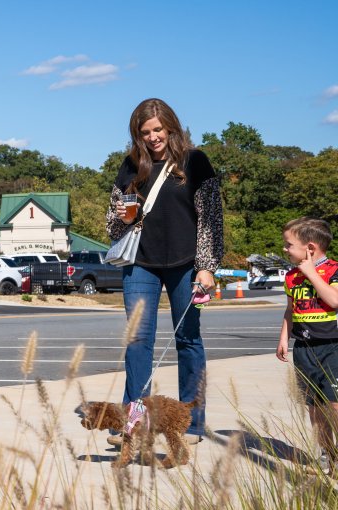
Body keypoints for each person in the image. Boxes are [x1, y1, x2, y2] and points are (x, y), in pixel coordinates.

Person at [105, 98, 224, 445]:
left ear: (170, 126)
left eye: (158, 129)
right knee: (138, 343)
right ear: (137, 135)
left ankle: (191, 425)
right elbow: (112, 226)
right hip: (141, 263)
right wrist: (123, 216)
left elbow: (211, 219)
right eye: (146, 132)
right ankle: (135, 422)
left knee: (188, 340)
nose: (154, 137)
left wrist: (206, 267)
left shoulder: (195, 162)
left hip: (187, 265)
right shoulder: (130, 166)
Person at [276, 217, 338, 473]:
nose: (285, 249)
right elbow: (291, 309)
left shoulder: (334, 270)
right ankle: (328, 455)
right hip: (304, 349)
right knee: (315, 409)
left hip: (333, 347)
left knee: (334, 405)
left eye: (289, 244)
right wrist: (283, 337)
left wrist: (311, 273)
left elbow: (334, 301)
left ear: (310, 248)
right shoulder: (291, 276)